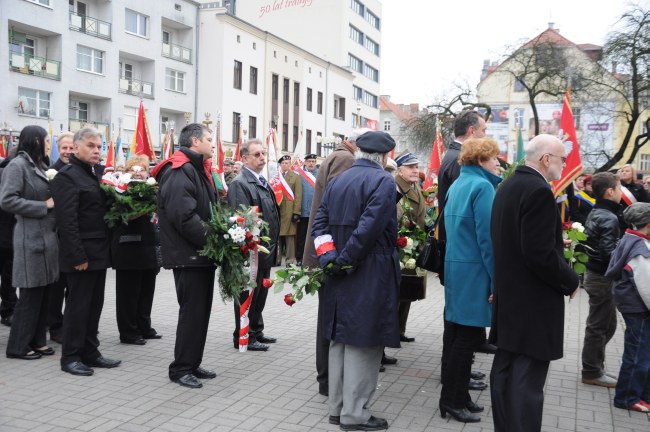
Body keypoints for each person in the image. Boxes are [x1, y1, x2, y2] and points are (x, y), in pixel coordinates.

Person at [489, 134, 579, 432]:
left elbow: (515, 238)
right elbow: (538, 254)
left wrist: (554, 239)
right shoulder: (538, 190)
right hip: (532, 300)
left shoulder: (508, 185)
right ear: (546, 159)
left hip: (511, 295)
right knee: (527, 381)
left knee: (506, 370)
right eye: (562, 158)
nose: (564, 165)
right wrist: (570, 280)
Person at [312, 130, 399, 431]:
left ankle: (337, 408)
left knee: (340, 339)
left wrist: (329, 257)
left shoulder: (338, 181)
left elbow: (319, 223)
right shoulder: (384, 181)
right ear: (385, 156)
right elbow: (369, 228)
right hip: (369, 270)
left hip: (340, 270)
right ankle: (355, 413)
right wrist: (345, 259)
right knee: (364, 340)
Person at [151, 123, 219, 389]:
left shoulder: (196, 168)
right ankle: (180, 369)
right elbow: (184, 216)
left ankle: (191, 362)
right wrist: (214, 240)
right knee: (191, 313)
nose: (213, 144)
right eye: (209, 139)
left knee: (199, 313)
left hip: (199, 255)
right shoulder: (180, 169)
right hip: (188, 255)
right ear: (194, 141)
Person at [439, 138, 502, 423]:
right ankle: (452, 401)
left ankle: (458, 396)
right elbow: (488, 239)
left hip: (457, 269)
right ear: (481, 160)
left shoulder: (458, 185)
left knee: (457, 336)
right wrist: (495, 280)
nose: (498, 163)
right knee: (465, 340)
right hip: (475, 271)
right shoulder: (483, 186)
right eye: (494, 158)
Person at [51, 127, 121, 376]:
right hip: (81, 255)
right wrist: (77, 256)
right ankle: (70, 357)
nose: (96, 150)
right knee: (78, 307)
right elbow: (67, 221)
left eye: (98, 146)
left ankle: (90, 352)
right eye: (90, 146)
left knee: (94, 306)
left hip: (99, 252)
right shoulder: (66, 177)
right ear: (76, 147)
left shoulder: (96, 174)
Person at [303, 129, 365, 397]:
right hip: (330, 250)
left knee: (328, 317)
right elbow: (341, 208)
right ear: (357, 144)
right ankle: (328, 379)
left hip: (324, 247)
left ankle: (327, 378)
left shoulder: (338, 156)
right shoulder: (345, 160)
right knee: (330, 320)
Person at [438, 110, 491, 392]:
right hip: (462, 253)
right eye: (483, 130)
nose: (485, 135)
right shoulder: (459, 163)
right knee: (458, 322)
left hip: (457, 252)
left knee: (457, 319)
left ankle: (458, 371)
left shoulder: (452, 157)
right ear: (471, 131)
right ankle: (455, 372)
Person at [0, 125, 58, 360]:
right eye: (46, 141)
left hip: (45, 239)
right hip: (29, 238)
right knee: (30, 295)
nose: (48, 145)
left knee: (43, 294)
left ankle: (37, 341)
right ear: (35, 141)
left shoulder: (41, 166)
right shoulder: (17, 166)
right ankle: (18, 346)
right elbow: (7, 200)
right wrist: (43, 206)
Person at [228, 139, 280, 352]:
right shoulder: (240, 183)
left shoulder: (261, 180)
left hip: (264, 250)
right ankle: (244, 336)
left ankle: (256, 331)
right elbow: (242, 218)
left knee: (260, 293)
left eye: (263, 153)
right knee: (247, 294)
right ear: (244, 158)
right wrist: (250, 247)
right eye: (257, 154)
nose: (262, 158)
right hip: (252, 252)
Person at [111, 155, 161, 345]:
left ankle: (144, 326)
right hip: (128, 249)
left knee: (146, 291)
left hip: (148, 248)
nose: (138, 173)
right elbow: (120, 216)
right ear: (127, 172)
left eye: (142, 169)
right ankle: (128, 332)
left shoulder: (151, 190)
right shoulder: (120, 191)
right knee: (128, 295)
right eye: (134, 169)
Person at [605, 202, 650, 413]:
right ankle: (627, 397)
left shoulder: (631, 237)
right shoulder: (641, 249)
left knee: (641, 352)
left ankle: (641, 393)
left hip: (634, 307)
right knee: (638, 354)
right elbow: (646, 286)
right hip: (639, 308)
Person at [581, 172, 622, 388]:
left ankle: (596, 363)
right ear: (609, 191)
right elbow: (609, 252)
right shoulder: (609, 217)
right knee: (598, 325)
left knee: (609, 324)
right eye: (618, 187)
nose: (621, 191)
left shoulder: (598, 211)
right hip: (601, 276)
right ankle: (591, 370)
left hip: (596, 274)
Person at [394, 150, 426, 343]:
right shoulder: (397, 187)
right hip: (402, 247)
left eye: (417, 167)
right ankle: (392, 333)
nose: (416, 171)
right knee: (399, 292)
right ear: (400, 170)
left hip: (413, 247)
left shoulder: (414, 186)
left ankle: (399, 330)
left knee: (407, 292)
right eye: (411, 167)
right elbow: (400, 218)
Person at [47, 131, 74, 344]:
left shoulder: (82, 171)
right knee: (57, 288)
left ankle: (71, 324)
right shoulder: (51, 172)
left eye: (71, 147)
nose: (68, 151)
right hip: (56, 238)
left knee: (73, 288)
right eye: (64, 148)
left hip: (75, 239)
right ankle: (55, 327)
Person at [0, 150, 18, 328]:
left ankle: (9, 309)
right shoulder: (5, 174)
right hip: (7, 234)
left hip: (11, 235)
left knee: (9, 277)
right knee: (9, 277)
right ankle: (8, 310)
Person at [277, 155, 302, 266]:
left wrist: (296, 212)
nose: (285, 165)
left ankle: (289, 260)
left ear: (290, 164)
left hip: (289, 209)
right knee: (277, 235)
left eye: (287, 163)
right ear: (280, 165)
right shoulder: (276, 176)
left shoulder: (295, 177)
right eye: (283, 163)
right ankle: (277, 259)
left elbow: (298, 195)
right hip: (278, 208)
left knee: (289, 236)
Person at [295, 154, 318, 266]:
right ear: (305, 162)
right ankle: (300, 258)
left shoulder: (319, 173)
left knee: (315, 236)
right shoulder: (299, 174)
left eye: (313, 161)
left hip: (316, 212)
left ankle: (313, 258)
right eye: (309, 161)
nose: (311, 163)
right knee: (302, 236)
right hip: (303, 211)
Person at [618, 164, 650, 232]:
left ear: (633, 173)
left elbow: (646, 204)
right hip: (619, 219)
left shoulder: (639, 188)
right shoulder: (617, 187)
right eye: (622, 171)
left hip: (634, 220)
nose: (624, 172)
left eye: (627, 171)